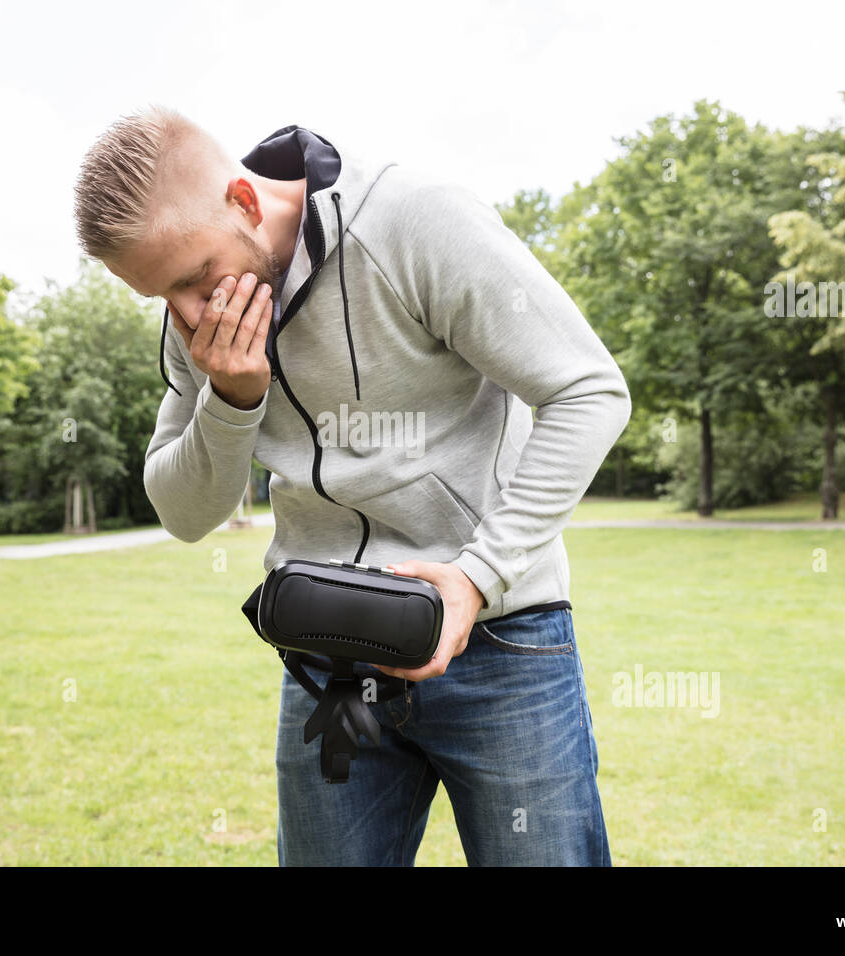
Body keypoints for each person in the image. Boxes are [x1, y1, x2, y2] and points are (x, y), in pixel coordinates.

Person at [73, 107, 631, 866]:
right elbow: (184, 512)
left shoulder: (412, 221)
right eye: (160, 300)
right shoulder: (194, 320)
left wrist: (475, 580)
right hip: (329, 667)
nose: (187, 316)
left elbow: (589, 391)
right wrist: (231, 401)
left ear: (242, 200)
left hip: (501, 643)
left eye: (195, 280)